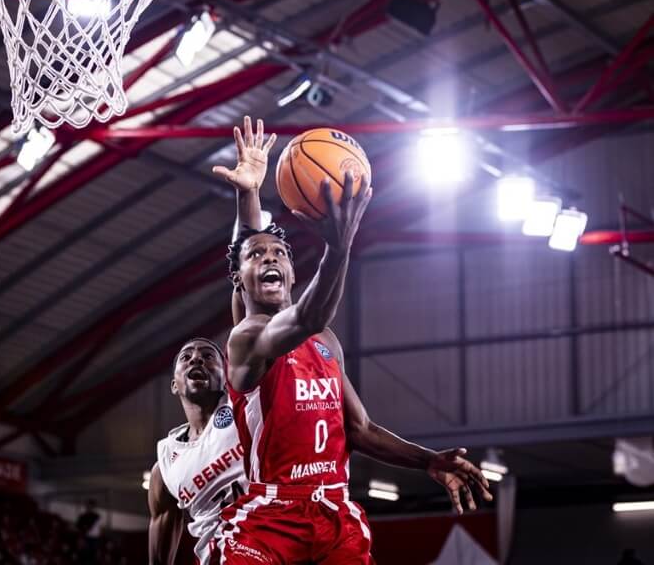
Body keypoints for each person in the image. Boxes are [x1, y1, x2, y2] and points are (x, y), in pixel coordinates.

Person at [217, 120, 493, 564]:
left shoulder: (325, 340)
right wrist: (335, 243)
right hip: (271, 516)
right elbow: (307, 313)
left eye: (280, 254)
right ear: (239, 280)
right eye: (256, 255)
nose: (269, 257)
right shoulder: (247, 339)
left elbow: (358, 429)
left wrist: (427, 461)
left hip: (333, 511)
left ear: (291, 272)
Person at [148, 119, 276, 565]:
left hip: (277, 546)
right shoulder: (167, 459)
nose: (198, 360)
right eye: (187, 358)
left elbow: (246, 291)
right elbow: (163, 524)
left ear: (228, 373)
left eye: (208, 355)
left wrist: (248, 196)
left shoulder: (242, 401)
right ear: (174, 384)